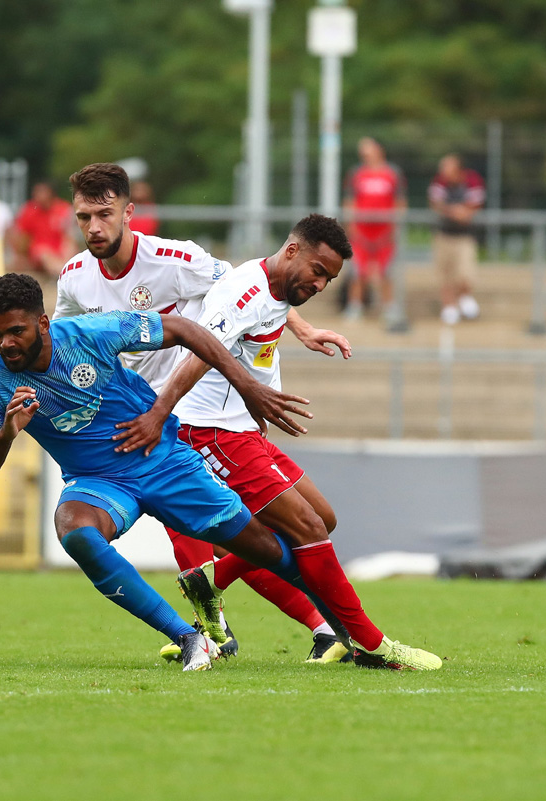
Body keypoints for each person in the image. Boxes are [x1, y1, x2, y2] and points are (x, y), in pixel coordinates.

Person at [0, 273, 440, 672]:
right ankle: (191, 639)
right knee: (75, 532)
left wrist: (246, 386)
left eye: (15, 331)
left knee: (270, 551)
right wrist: (4, 435)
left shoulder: (90, 334)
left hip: (165, 462)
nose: (6, 344)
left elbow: (187, 330)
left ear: (42, 322)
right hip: (99, 484)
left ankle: (366, 641)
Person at [112, 214, 443, 671]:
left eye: (329, 278)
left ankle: (211, 582)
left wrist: (302, 329)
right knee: (304, 527)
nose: (322, 284)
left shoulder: (274, 286)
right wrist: (158, 415)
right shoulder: (243, 292)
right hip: (212, 431)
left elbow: (273, 309)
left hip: (243, 430)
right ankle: (369, 641)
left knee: (322, 519)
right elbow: (197, 354)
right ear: (292, 252)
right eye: (319, 272)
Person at [54, 162, 355, 663]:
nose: (94, 228)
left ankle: (250, 627)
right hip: (131, 420)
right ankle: (303, 628)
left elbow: (255, 285)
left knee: (225, 532)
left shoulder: (175, 260)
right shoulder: (74, 277)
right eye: (84, 217)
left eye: (105, 214)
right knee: (221, 533)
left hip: (182, 414)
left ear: (130, 212)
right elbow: (61, 347)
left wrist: (300, 328)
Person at [343, 137, 405, 322]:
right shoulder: (357, 174)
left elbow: (400, 203)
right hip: (361, 233)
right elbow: (350, 203)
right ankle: (355, 306)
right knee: (357, 272)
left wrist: (394, 228)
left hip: (384, 233)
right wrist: (352, 228)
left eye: (368, 150)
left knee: (386, 271)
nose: (365, 155)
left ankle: (389, 307)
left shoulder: (392, 174)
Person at [428, 154, 486, 325]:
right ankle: (449, 306)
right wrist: (454, 211)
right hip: (444, 234)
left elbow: (474, 206)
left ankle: (464, 297)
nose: (443, 172)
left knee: (465, 273)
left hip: (465, 236)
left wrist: (463, 211)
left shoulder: (473, 180)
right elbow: (435, 203)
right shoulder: (439, 181)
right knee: (445, 274)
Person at [13, 181, 73, 275]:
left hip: (59, 251)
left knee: (69, 248)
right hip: (39, 252)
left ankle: (65, 270)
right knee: (44, 253)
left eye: (41, 192)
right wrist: (21, 256)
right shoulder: (30, 210)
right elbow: (22, 238)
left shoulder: (63, 209)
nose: (38, 196)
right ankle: (63, 274)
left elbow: (68, 235)